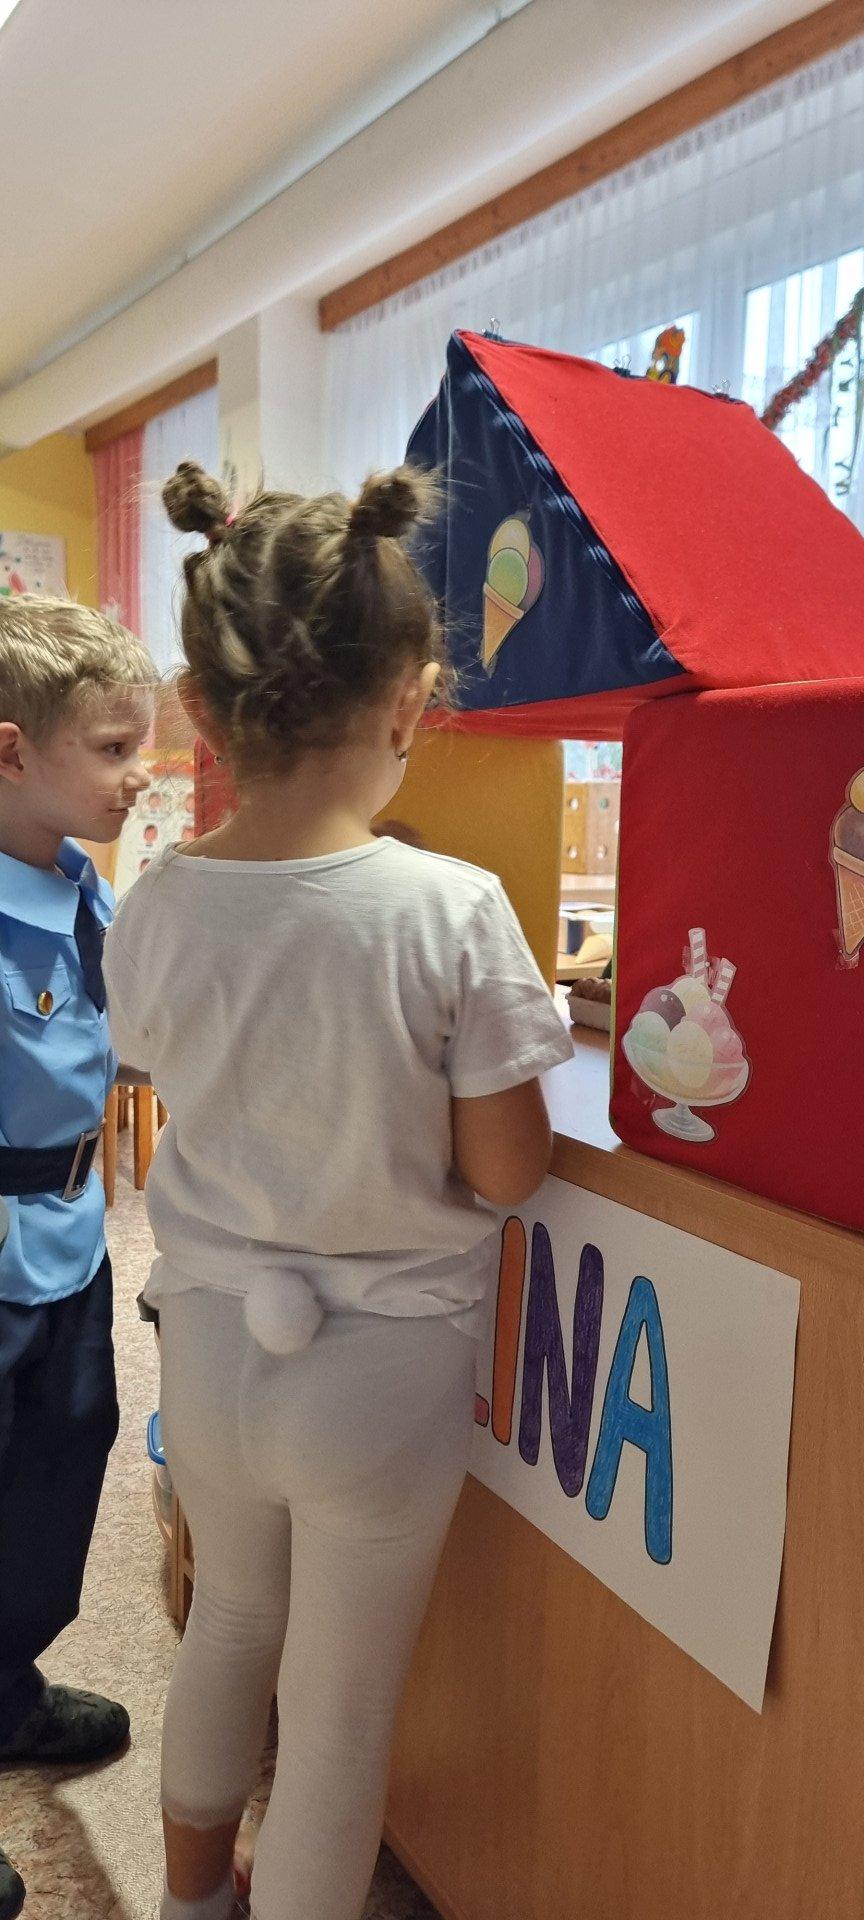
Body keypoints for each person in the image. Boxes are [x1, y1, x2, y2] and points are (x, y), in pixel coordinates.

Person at [103, 460, 574, 1920]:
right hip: (380, 1363)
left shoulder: (157, 897)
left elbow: (158, 1059)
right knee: (339, 1712)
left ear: (204, 709)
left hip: (212, 1342)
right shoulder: (451, 907)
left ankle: (190, 1903)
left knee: (231, 1623)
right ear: (411, 703)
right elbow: (508, 1167)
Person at [0, 597, 156, 1920]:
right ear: (13, 750)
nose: (139, 773)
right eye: (112, 749)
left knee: (60, 1470)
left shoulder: (77, 878)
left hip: (67, 1235)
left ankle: (6, 1690)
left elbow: (115, 1038)